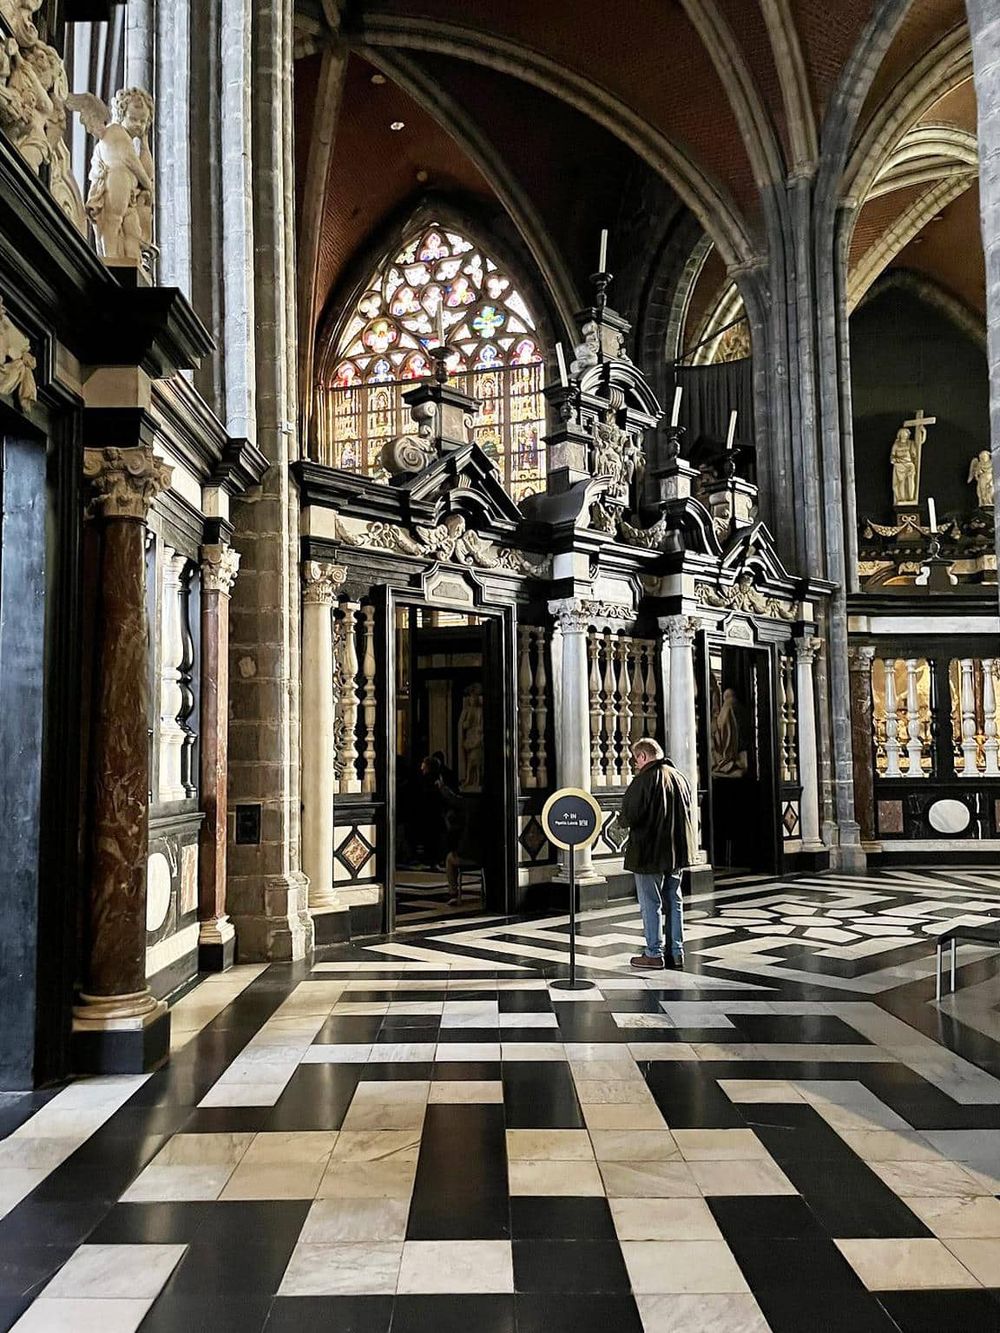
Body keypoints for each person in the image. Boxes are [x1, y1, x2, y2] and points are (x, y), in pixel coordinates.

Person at [618, 737, 698, 971]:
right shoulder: (680, 778)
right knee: (674, 899)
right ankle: (677, 952)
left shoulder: (644, 780)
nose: (635, 765)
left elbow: (629, 814)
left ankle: (653, 954)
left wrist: (623, 821)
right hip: (676, 852)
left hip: (648, 852)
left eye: (636, 760)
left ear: (643, 757)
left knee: (650, 903)